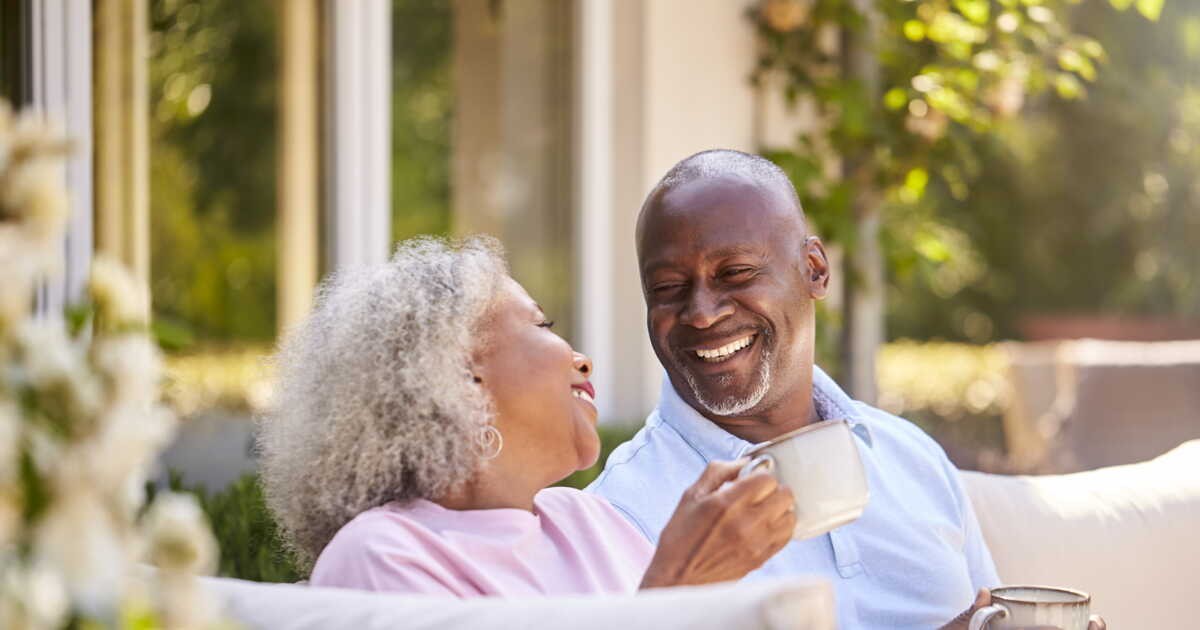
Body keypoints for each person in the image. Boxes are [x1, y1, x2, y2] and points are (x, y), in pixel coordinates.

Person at [586, 149, 1104, 629]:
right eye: (668, 288)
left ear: (814, 270)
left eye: (736, 273)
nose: (701, 311)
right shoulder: (622, 513)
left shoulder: (911, 459)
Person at [257, 236, 798, 598]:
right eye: (541, 325)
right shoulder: (382, 556)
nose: (581, 358)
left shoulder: (590, 522)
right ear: (458, 378)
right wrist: (678, 589)